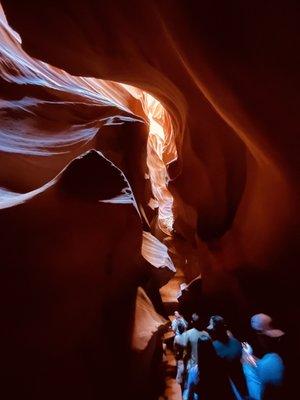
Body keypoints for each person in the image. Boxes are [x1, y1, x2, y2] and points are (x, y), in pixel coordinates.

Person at [243, 313, 285, 400]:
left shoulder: (272, 359)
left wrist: (248, 355)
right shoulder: (284, 340)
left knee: (247, 367)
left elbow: (265, 367)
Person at [207, 315, 248, 399]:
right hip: (241, 380)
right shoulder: (236, 342)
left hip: (227, 386)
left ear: (215, 329)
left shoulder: (213, 347)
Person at [173, 321, 187, 390]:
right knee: (185, 369)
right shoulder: (187, 336)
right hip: (185, 355)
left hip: (179, 356)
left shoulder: (176, 337)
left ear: (178, 329)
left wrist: (176, 354)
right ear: (184, 328)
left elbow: (174, 347)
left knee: (179, 369)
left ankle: (180, 384)